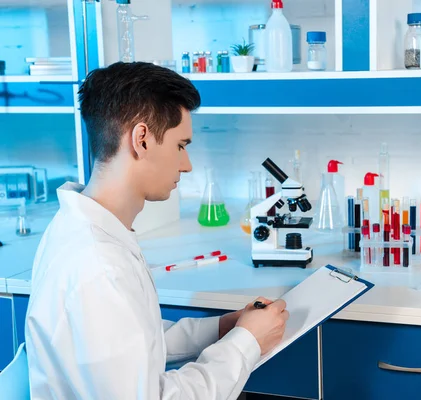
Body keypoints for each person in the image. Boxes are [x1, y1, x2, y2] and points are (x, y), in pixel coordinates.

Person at [24, 62, 289, 399]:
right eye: (181, 145)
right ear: (142, 140)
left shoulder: (85, 227)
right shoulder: (98, 264)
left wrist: (225, 327)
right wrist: (246, 343)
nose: (187, 164)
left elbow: (132, 340)